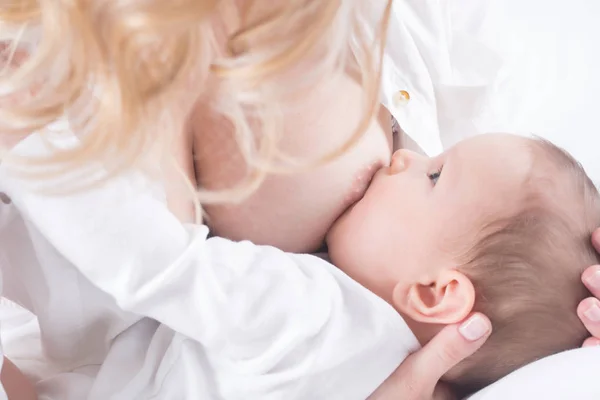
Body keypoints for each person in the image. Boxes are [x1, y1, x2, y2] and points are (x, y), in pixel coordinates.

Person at [0, 1, 599, 400]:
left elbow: (161, 266)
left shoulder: (330, 321)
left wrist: (25, 135)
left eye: (434, 177)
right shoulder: (368, 350)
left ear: (436, 293)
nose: (404, 157)